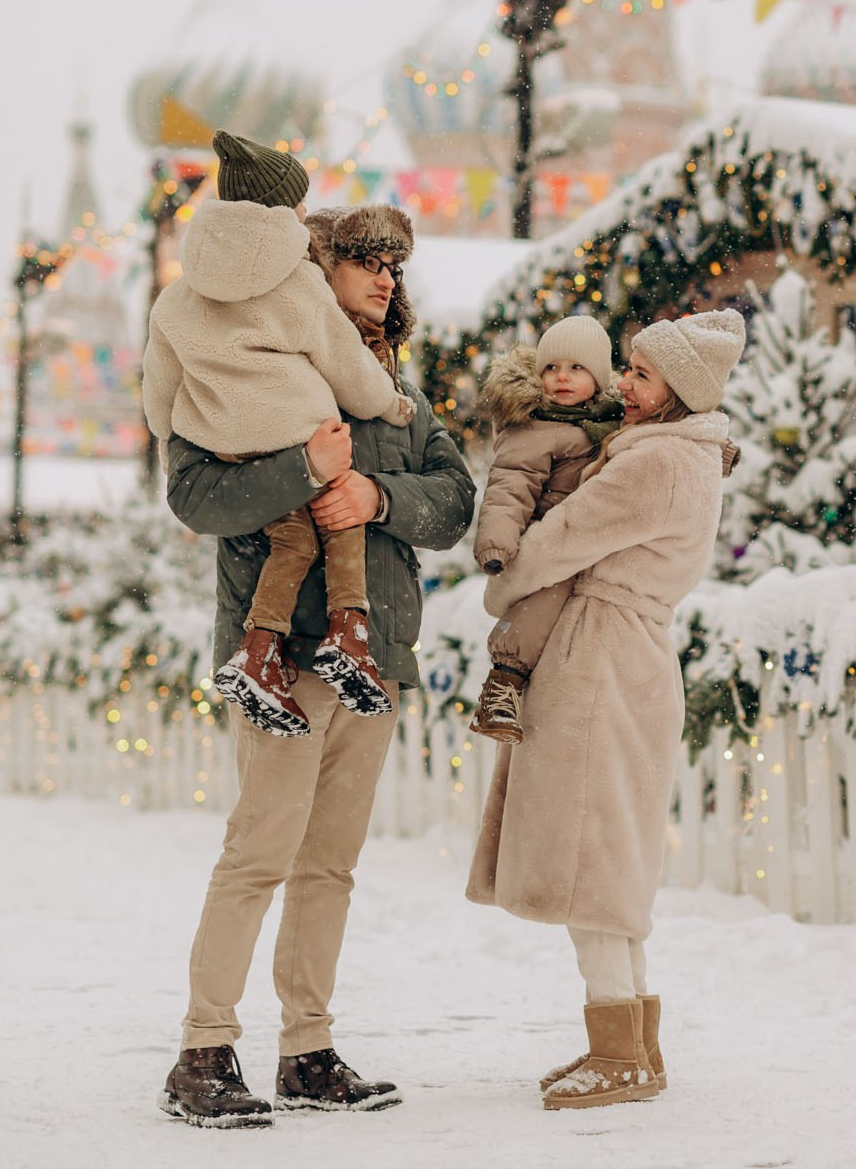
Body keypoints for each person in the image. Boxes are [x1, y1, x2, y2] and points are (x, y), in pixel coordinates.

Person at [157, 200, 475, 1130]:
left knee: (329, 865)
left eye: (395, 265)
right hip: (281, 657)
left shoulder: (394, 387)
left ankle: (307, 1049)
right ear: (313, 269)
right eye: (365, 260)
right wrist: (303, 469)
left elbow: (456, 501)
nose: (385, 277)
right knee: (259, 852)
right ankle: (203, 1048)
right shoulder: (248, 365)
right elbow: (194, 493)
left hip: (372, 658)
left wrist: (377, 494)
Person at [467, 308, 746, 1111]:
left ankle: (617, 1051)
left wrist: (504, 583)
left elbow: (562, 536)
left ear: (676, 393)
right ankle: (633, 1041)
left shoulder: (654, 461)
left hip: (602, 654)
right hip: (631, 650)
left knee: (589, 851)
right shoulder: (684, 455)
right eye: (625, 368)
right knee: (612, 848)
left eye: (641, 375)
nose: (623, 384)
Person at [142, 131, 415, 735]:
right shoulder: (297, 281)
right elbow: (346, 361)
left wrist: (168, 439)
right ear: (284, 211)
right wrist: (391, 405)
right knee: (339, 524)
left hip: (225, 443)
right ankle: (350, 634)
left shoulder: (177, 297)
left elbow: (158, 391)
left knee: (292, 542)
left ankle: (259, 653)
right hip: (298, 434)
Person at [469, 314, 624, 742]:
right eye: (551, 368)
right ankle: (504, 682)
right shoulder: (533, 425)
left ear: (599, 377)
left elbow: (660, 441)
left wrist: (710, 450)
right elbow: (508, 487)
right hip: (549, 537)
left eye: (577, 368)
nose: (561, 378)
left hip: (595, 540)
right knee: (544, 600)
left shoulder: (615, 420)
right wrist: (497, 543)